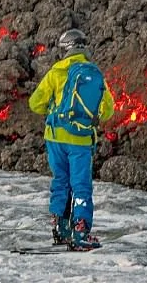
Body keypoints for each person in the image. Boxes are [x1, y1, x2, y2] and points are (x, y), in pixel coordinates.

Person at [28, 28, 115, 250]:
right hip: (81, 141)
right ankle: (81, 232)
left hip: (55, 138)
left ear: (65, 49)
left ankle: (60, 229)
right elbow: (108, 110)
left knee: (61, 181)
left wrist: (54, 111)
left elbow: (34, 103)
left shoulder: (56, 72)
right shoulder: (94, 74)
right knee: (81, 185)